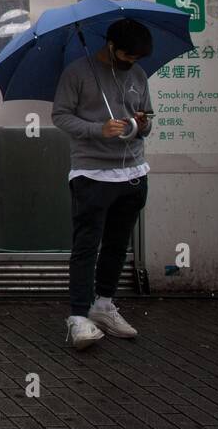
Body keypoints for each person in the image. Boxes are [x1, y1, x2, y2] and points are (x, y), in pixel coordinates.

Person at [52, 18, 154, 350]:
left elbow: (147, 117)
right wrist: (99, 129)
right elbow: (60, 115)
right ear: (111, 46)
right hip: (92, 174)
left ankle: (104, 304)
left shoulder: (137, 74)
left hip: (134, 171)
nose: (131, 63)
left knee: (117, 243)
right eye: (127, 56)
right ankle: (79, 317)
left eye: (136, 58)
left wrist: (140, 124)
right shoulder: (77, 73)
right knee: (86, 245)